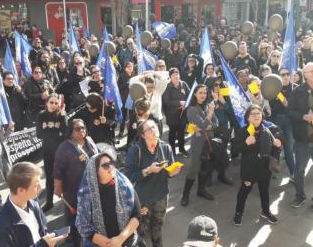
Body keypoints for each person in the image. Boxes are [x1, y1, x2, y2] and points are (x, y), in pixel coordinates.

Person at [125, 119, 180, 247]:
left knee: (158, 225)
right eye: (149, 129)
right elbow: (128, 176)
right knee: (140, 228)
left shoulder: (166, 147)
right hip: (142, 199)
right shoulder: (135, 150)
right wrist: (148, 170)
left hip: (161, 196)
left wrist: (171, 173)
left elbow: (168, 170)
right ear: (143, 135)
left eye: (154, 127)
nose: (154, 130)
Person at [0, 162, 68, 247]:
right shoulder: (1, 229)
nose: (40, 188)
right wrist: (43, 244)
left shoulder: (34, 203)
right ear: (21, 190)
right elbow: (43, 243)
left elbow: (43, 232)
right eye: (36, 185)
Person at [75, 153, 142, 247]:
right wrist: (109, 244)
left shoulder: (124, 186)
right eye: (106, 165)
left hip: (127, 242)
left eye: (112, 163)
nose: (111, 167)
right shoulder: (86, 194)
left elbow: (137, 216)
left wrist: (119, 240)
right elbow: (83, 226)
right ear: (95, 172)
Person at [233, 104, 281, 225]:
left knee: (264, 191)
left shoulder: (267, 130)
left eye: (258, 113)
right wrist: (246, 143)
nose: (256, 116)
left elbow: (274, 147)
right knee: (244, 192)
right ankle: (238, 213)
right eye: (253, 114)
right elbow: (234, 150)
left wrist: (277, 144)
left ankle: (265, 211)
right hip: (249, 169)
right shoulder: (243, 131)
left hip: (265, 169)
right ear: (248, 117)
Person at [54, 119, 99, 246]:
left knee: (88, 215)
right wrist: (57, 187)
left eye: (83, 127)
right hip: (73, 190)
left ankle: (87, 237)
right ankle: (70, 239)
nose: (82, 130)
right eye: (78, 128)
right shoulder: (64, 147)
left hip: (92, 187)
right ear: (70, 131)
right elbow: (58, 170)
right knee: (71, 219)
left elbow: (98, 158)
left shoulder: (89, 140)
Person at [181, 84, 217, 207]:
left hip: (208, 142)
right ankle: (185, 194)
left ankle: (201, 190)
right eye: (200, 92)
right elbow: (202, 125)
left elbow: (216, 123)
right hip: (198, 143)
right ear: (195, 94)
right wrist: (210, 115)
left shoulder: (207, 106)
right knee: (193, 169)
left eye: (205, 93)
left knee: (205, 167)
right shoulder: (191, 109)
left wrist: (206, 125)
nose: (203, 95)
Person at [36, 93, 67, 212]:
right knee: (49, 177)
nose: (53, 105)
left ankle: (66, 201)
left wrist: (49, 133)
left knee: (63, 176)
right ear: (47, 103)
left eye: (56, 103)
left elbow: (64, 133)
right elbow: (39, 134)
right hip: (47, 151)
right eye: (51, 102)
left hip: (60, 152)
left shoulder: (62, 115)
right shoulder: (41, 115)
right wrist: (56, 133)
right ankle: (49, 202)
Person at [288, 63, 313, 210]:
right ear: (305, 74)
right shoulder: (298, 91)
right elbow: (289, 111)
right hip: (302, 138)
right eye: (311, 71)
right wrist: (302, 116)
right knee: (299, 170)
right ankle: (299, 196)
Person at [269, 68, 295, 180]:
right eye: (282, 74)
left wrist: (278, 94)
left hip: (289, 121)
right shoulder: (273, 88)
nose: (285, 76)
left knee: (288, 148)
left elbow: (287, 105)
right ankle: (275, 170)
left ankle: (293, 173)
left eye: (287, 74)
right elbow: (269, 105)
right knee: (276, 146)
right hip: (276, 120)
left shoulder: (294, 88)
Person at [162, 68, 190, 156]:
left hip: (183, 113)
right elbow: (166, 101)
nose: (176, 76)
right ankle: (172, 151)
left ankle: (182, 149)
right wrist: (179, 103)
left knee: (181, 132)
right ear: (170, 77)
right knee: (172, 133)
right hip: (172, 114)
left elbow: (189, 95)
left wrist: (186, 104)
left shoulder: (183, 84)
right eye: (174, 75)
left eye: (177, 74)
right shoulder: (167, 86)